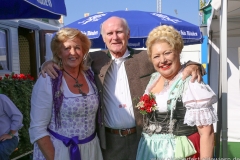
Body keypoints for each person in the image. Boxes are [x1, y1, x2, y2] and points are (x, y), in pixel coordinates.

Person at [41, 17, 205, 160]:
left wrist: (194, 65)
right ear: (104, 38)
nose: (115, 37)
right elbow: (70, 60)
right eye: (109, 34)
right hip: (109, 142)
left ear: (128, 35)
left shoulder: (145, 57)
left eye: (119, 32)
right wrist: (49, 64)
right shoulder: (95, 59)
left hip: (142, 138)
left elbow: (170, 62)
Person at [136, 25, 218, 159]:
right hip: (149, 151)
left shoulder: (191, 82)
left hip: (179, 152)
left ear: (178, 51)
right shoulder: (153, 79)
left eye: (167, 53)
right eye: (156, 56)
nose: (162, 60)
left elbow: (206, 133)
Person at [29, 28, 103, 160]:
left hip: (91, 150)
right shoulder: (48, 79)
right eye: (67, 48)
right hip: (59, 151)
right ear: (58, 52)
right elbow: (37, 129)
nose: (73, 53)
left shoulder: (90, 75)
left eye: (77, 47)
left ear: (84, 51)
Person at [0, 94, 23, 160]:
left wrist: (10, 134)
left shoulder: (1, 98)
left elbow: (18, 116)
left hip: (10, 138)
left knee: (1, 151)